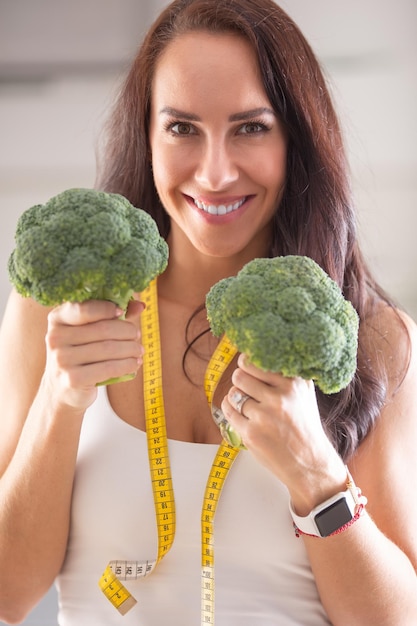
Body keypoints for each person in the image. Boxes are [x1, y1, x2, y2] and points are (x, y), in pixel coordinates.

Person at [0, 0, 416, 623]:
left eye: (250, 127)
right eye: (182, 128)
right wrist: (61, 399)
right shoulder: (61, 311)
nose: (215, 173)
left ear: (294, 138)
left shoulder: (372, 335)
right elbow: (8, 594)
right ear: (146, 134)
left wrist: (318, 478)